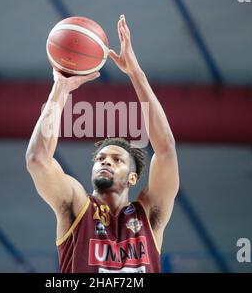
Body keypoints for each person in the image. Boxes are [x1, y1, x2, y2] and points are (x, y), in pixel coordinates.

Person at [26, 14, 179, 273]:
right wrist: (60, 88)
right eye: (100, 159)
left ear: (133, 178)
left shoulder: (149, 216)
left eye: (117, 160)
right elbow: (37, 160)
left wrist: (135, 73)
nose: (105, 161)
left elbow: (165, 150)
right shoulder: (77, 207)